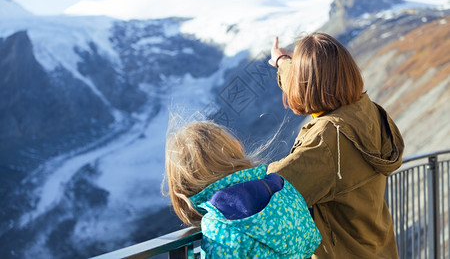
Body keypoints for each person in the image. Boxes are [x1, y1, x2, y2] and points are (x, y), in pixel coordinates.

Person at [267, 32, 404, 258]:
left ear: (306, 84)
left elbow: (272, 189)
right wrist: (283, 62)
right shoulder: (367, 111)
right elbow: (315, 79)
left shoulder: (326, 141)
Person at [164, 120, 322, 258]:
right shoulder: (282, 189)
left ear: (185, 182)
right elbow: (311, 239)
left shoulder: (220, 225)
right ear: (235, 148)